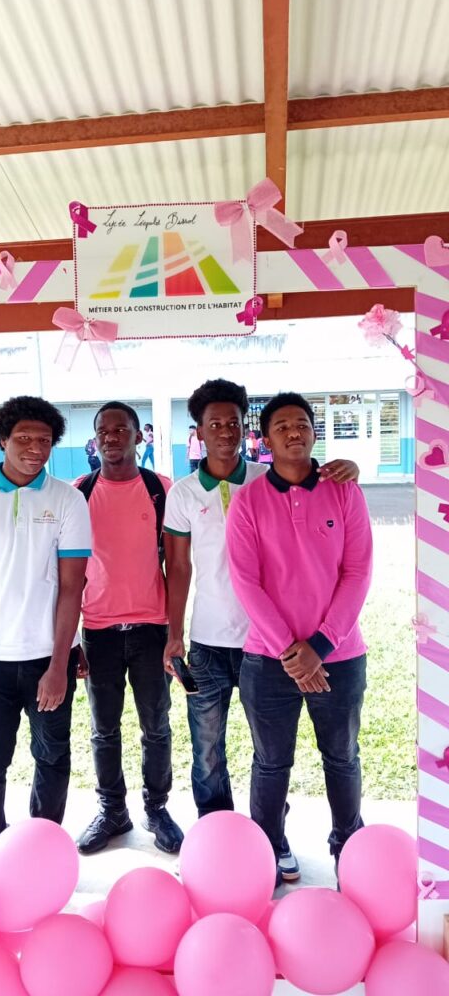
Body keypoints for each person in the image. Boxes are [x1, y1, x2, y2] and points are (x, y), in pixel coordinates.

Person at [163, 378, 360, 885]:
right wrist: (173, 633)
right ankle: (224, 847)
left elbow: (351, 562)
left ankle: (309, 843)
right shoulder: (191, 494)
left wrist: (312, 648)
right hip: (220, 641)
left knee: (305, 756)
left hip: (279, 647)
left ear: (249, 432)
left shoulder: (267, 479)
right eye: (214, 424)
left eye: (233, 422)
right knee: (213, 750)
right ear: (199, 432)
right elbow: (182, 568)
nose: (225, 431)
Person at [226, 392, 372, 885]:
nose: (294, 432)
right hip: (270, 661)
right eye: (282, 425)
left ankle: (348, 849)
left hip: (340, 656)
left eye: (303, 423)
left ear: (313, 431)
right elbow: (246, 581)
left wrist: (321, 648)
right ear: (265, 440)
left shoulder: (344, 491)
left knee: (343, 757)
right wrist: (293, 653)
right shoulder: (248, 501)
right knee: (270, 763)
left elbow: (357, 572)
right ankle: (267, 851)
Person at [0, 396, 92, 861]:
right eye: (24, 438)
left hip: (47, 656)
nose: (35, 448)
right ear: (2, 440)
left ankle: (43, 845)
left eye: (44, 440)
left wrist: (58, 665)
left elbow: (72, 587)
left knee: (52, 754)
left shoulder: (67, 500)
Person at [75, 401, 183, 856]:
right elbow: (64, 575)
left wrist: (175, 633)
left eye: (122, 429)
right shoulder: (79, 493)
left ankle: (156, 809)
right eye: (104, 430)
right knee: (104, 729)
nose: (112, 436)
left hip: (151, 629)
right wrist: (72, 640)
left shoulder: (161, 490)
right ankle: (112, 811)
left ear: (140, 437)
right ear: (95, 438)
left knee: (156, 726)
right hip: (97, 630)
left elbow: (178, 565)